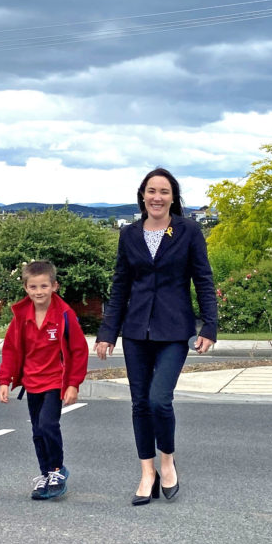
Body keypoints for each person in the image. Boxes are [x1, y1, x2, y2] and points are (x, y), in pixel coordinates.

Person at [95, 167, 217, 505]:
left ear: (173, 197)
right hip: (136, 331)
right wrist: (108, 332)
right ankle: (147, 472)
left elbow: (203, 280)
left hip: (175, 331)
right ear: (143, 195)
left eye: (163, 191)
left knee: (159, 399)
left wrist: (209, 326)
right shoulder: (129, 234)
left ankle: (167, 463)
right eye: (151, 191)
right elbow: (120, 286)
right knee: (139, 404)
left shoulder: (188, 231)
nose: (157, 197)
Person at [0, 260, 89, 500]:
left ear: (54, 286)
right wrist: (5, 380)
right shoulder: (21, 316)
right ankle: (45, 474)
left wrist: (73, 384)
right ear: (26, 288)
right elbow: (10, 349)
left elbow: (79, 350)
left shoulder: (65, 315)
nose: (39, 292)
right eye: (34, 287)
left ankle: (58, 470)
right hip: (32, 381)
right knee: (37, 430)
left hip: (55, 382)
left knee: (49, 425)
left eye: (44, 286)